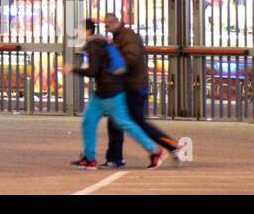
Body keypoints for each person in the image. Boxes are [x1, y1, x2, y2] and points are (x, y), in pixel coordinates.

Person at [65, 18, 168, 170]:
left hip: (110, 92)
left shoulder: (93, 44)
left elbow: (92, 71)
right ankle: (89, 158)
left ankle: (155, 151)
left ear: (87, 31)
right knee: (89, 121)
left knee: (124, 122)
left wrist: (73, 69)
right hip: (103, 92)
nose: (77, 33)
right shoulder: (102, 41)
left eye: (79, 30)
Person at [102, 12, 182, 167]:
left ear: (115, 22)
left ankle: (171, 145)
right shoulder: (120, 37)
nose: (106, 28)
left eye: (107, 24)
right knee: (115, 120)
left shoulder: (128, 36)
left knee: (136, 122)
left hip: (134, 87)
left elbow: (132, 57)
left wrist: (115, 66)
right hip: (129, 86)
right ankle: (115, 157)